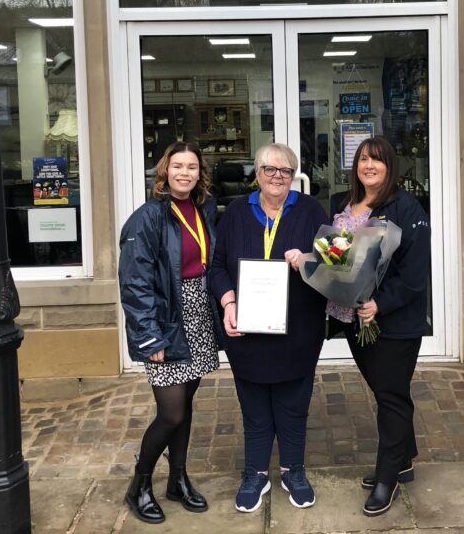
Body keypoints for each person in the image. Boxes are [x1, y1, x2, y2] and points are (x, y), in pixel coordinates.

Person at [208, 142, 328, 513]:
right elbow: (216, 267)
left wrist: (308, 259)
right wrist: (228, 302)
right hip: (248, 330)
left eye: (285, 171)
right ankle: (256, 473)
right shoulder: (236, 213)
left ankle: (293, 471)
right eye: (269, 169)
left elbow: (335, 267)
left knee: (293, 405)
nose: (277, 177)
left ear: (294, 177)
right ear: (257, 174)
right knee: (256, 408)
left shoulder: (311, 210)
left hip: (299, 329)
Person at [119, 142, 221, 524]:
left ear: (200, 173)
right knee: (171, 413)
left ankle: (177, 480)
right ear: (165, 171)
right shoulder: (148, 216)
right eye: (177, 166)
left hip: (197, 313)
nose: (184, 173)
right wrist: (149, 337)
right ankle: (139, 486)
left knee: (186, 404)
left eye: (192, 166)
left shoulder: (203, 209)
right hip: (164, 320)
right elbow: (135, 281)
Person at [331, 136, 430, 516]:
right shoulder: (345, 203)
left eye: (377, 160)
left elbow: (414, 275)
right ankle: (402, 460)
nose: (368, 166)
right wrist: (316, 263)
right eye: (362, 160)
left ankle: (387, 476)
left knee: (390, 397)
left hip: (394, 321)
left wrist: (379, 303)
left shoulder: (406, 209)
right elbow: (337, 257)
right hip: (356, 319)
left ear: (390, 166)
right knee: (388, 391)